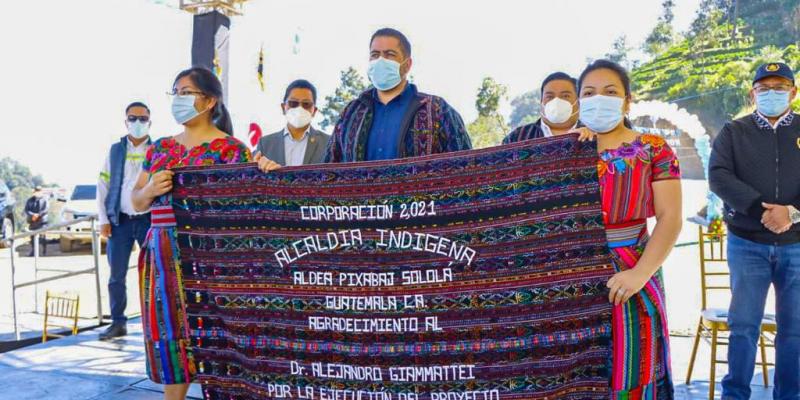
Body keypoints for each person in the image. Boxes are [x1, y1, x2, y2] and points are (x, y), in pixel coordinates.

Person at [131, 67, 251, 400]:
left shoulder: (232, 151)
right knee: (170, 326)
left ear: (210, 100)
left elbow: (243, 208)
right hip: (162, 251)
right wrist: (151, 188)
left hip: (209, 255)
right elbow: (136, 201)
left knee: (215, 328)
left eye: (187, 92)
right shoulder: (159, 149)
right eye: (176, 92)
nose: (179, 100)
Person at [572, 59, 682, 398]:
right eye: (589, 93)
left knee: (632, 365)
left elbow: (670, 218)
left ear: (627, 100)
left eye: (610, 92)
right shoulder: (566, 149)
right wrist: (567, 149)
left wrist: (640, 274)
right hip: (573, 274)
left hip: (634, 269)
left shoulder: (654, 148)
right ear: (579, 102)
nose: (599, 99)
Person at [708, 62, 800, 400]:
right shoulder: (734, 131)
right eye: (764, 87)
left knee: (795, 331)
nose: (771, 93)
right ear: (753, 93)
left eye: (779, 86)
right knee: (744, 327)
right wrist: (760, 208)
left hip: (797, 244)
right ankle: (735, 395)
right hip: (746, 244)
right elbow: (718, 175)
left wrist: (791, 213)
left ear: (793, 91)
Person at [323, 28, 471, 163]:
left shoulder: (437, 110)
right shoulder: (351, 113)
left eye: (389, 55)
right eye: (375, 55)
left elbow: (464, 165)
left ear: (407, 64)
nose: (380, 60)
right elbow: (329, 169)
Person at [96, 101, 152, 341]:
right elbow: (103, 185)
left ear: (150, 122)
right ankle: (118, 323)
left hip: (149, 220)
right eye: (133, 118)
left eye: (142, 119)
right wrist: (103, 219)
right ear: (125, 121)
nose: (137, 123)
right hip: (120, 222)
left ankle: (153, 325)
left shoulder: (158, 150)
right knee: (116, 276)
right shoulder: (115, 150)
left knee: (153, 275)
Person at [254, 79, 330, 166]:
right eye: (293, 103)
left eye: (306, 104)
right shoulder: (265, 144)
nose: (299, 109)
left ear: (314, 111)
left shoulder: (328, 143)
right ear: (283, 107)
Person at [503, 72, 580, 143]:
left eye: (565, 96)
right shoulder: (516, 138)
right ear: (541, 102)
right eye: (550, 97)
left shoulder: (590, 134)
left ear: (578, 101)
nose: (556, 101)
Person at [24, 186, 49, 256]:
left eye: (39, 191)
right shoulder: (30, 200)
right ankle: (33, 251)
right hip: (32, 221)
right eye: (36, 191)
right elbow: (26, 210)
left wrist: (38, 215)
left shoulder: (45, 199)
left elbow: (46, 209)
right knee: (32, 237)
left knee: (42, 237)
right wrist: (32, 215)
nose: (37, 193)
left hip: (42, 221)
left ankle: (44, 250)